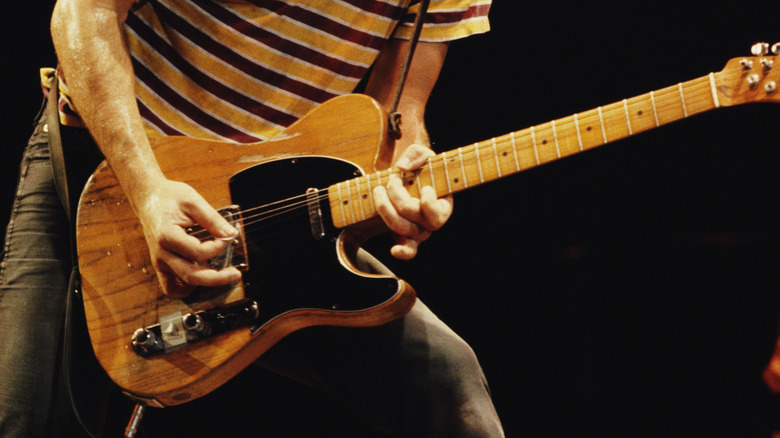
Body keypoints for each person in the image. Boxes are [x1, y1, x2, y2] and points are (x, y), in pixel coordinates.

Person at [0, 0, 504, 437]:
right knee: (33, 419)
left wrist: (405, 181)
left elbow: (398, 115)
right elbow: (84, 12)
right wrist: (148, 190)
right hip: (108, 173)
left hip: (266, 208)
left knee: (447, 388)